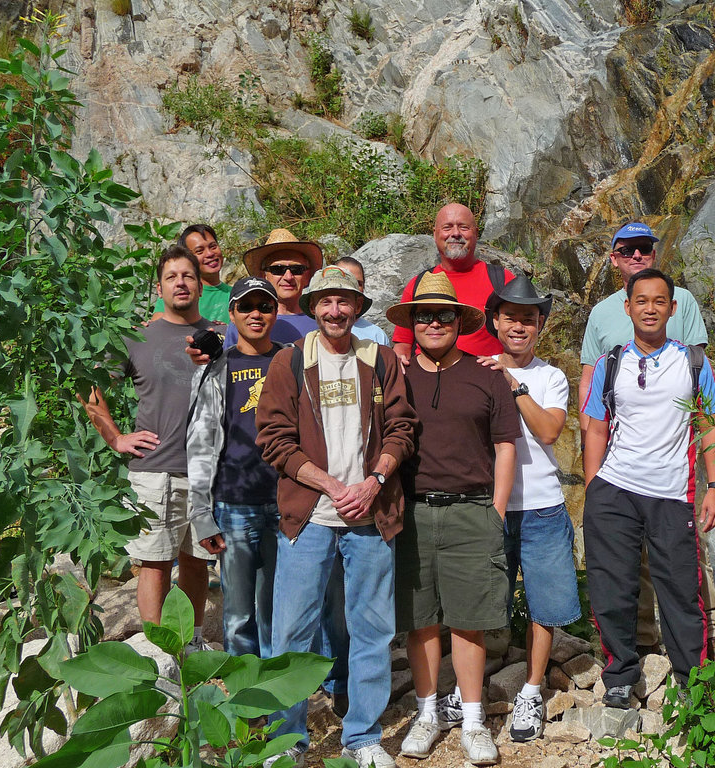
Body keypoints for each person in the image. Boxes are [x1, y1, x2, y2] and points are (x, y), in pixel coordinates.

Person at [255, 266, 417, 768]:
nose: (335, 311)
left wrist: (373, 483)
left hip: (371, 515)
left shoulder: (380, 358)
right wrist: (330, 485)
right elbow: (273, 439)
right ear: (312, 307)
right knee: (291, 632)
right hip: (310, 517)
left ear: (357, 307)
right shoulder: (289, 362)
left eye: (344, 301)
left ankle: (363, 737)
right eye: (325, 301)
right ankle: (287, 743)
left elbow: (402, 428)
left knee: (371, 629)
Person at [578, 222, 715, 670]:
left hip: (671, 492)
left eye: (659, 302)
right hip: (615, 487)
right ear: (627, 308)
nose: (650, 309)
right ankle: (621, 674)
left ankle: (693, 679)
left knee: (680, 588)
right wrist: (593, 489)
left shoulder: (692, 362)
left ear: (672, 308)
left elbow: (708, 426)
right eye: (641, 302)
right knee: (613, 587)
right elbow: (596, 428)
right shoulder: (612, 363)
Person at [386, 271, 520, 766]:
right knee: (421, 623)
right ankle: (426, 714)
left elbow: (506, 444)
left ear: (459, 321)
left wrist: (497, 509)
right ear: (414, 323)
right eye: (425, 315)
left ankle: (472, 720)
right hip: (414, 513)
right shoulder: (395, 378)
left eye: (444, 314)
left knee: (469, 622)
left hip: (472, 510)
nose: (435, 322)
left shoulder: (488, 375)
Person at [82, 245, 215, 645]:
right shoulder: (135, 337)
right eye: (172, 276)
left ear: (199, 283)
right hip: (155, 471)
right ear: (159, 287)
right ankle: (160, 650)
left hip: (209, 473)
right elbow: (88, 387)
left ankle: (190, 640)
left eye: (188, 275)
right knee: (154, 564)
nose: (181, 282)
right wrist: (115, 437)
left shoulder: (219, 334)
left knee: (197, 564)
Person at [478, 276, 581, 742]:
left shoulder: (551, 376)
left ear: (539, 326)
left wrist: (513, 384)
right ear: (494, 321)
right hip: (490, 508)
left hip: (541, 508)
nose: (519, 326)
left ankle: (531, 690)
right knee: (478, 603)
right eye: (511, 317)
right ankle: (471, 689)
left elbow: (549, 432)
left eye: (529, 319)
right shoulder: (474, 369)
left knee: (544, 607)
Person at [186, 276, 283, 657]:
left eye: (265, 306)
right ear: (231, 313)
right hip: (234, 503)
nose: (256, 314)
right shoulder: (213, 370)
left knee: (278, 609)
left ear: (276, 312)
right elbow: (199, 443)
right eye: (246, 306)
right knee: (239, 613)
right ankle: (246, 704)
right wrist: (201, 513)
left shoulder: (292, 361)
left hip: (285, 503)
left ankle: (280, 702)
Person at [390, 203, 514, 364]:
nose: (455, 234)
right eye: (447, 227)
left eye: (463, 227)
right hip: (431, 380)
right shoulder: (419, 285)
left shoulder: (502, 280)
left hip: (487, 381)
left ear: (476, 233)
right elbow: (402, 347)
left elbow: (522, 339)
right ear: (435, 234)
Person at [223, 228, 323, 346]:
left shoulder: (323, 321)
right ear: (263, 275)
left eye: (297, 269)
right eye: (278, 270)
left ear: (308, 275)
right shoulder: (245, 323)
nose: (288, 277)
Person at [151, 224, 232, 322]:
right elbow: (161, 328)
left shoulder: (236, 295)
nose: (210, 254)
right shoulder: (180, 293)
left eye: (213, 246)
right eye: (199, 251)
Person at [336, 255, 391, 345]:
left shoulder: (377, 335)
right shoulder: (317, 327)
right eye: (344, 280)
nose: (352, 287)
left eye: (358, 283)